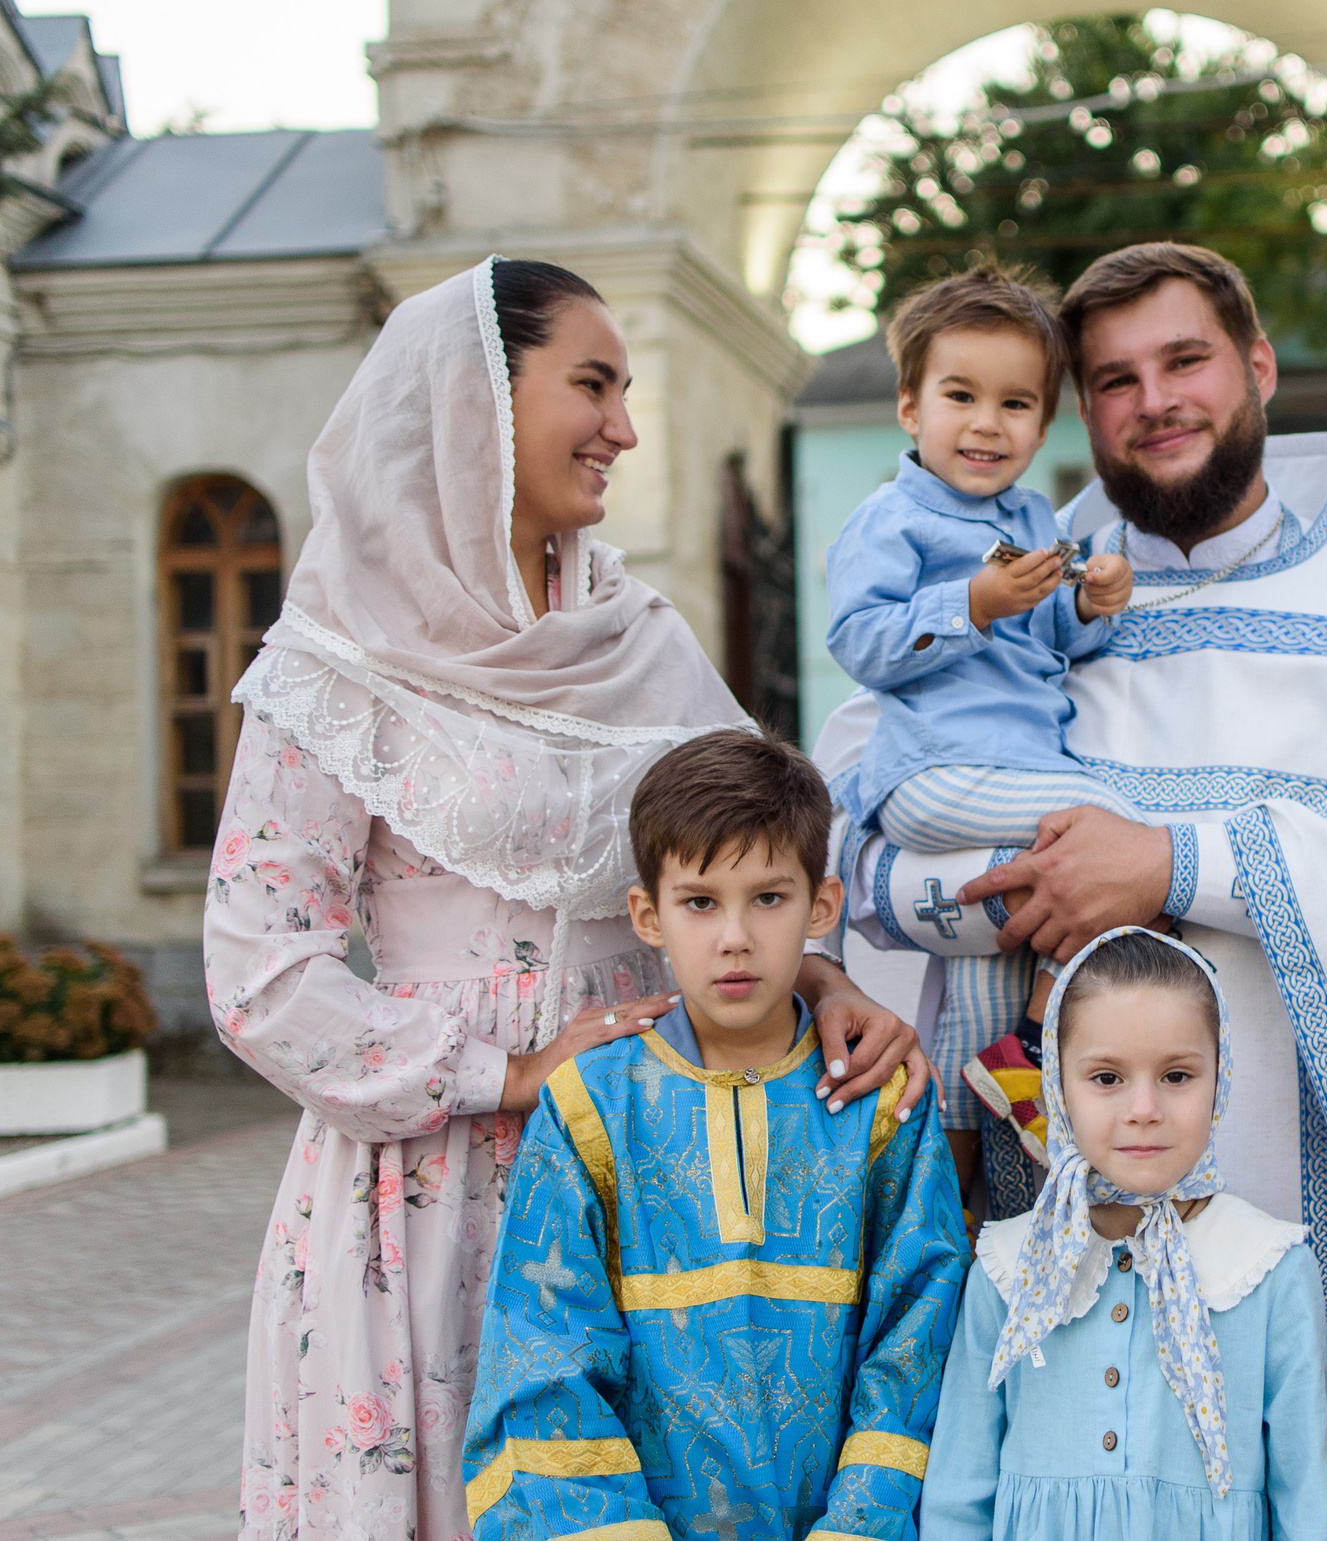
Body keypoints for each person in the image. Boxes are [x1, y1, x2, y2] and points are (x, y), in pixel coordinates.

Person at [209, 257, 925, 1541]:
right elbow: (261, 971)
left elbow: (739, 853)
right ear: (479, 398)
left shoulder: (641, 637)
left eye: (629, 390)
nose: (624, 428)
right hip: (422, 1192)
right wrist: (505, 1070)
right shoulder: (334, 657)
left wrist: (825, 979)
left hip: (646, 1170)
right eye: (590, 384)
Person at [816, 243, 1327, 1365]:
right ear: (1083, 413)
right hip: (1072, 1200)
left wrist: (1169, 864)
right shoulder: (1034, 594)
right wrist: (990, 896)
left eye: (1186, 360)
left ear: (1257, 365)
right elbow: (869, 837)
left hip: (1319, 1209)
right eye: (1114, 379)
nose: (1154, 402)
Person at [462, 729, 968, 1541]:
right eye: (700, 901)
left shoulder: (881, 1104)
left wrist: (860, 1524)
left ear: (823, 905)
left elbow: (919, 1337)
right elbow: (545, 1350)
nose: (734, 936)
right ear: (647, 915)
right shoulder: (591, 1105)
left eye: (768, 897)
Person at [822, 265, 1135, 1184]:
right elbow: (861, 640)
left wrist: (1096, 601)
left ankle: (961, 1195)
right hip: (935, 774)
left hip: (1005, 777)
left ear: (1045, 425)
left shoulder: (1034, 516)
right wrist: (973, 601)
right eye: (961, 395)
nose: (987, 423)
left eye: (1016, 403)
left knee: (985, 983)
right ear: (911, 407)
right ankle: (1042, 1038)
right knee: (1116, 821)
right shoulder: (891, 518)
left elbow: (1057, 641)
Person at [920, 927, 1327, 1541]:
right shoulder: (1010, 1267)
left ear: (1221, 1079)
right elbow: (958, 1492)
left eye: (1177, 1076)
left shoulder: (1269, 1268)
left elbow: (1302, 1501)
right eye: (1107, 1078)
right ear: (1058, 1085)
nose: (1143, 1108)